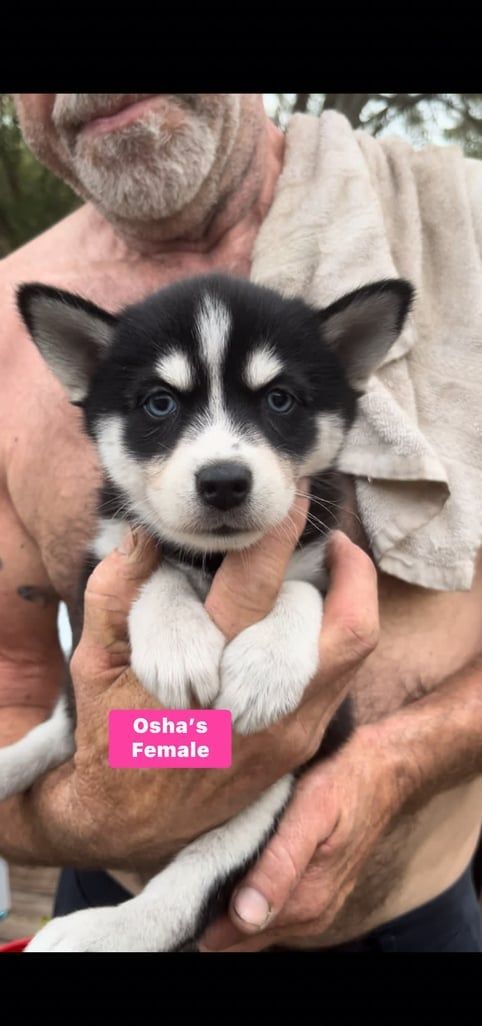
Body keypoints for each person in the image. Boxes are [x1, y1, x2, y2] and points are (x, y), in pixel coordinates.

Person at [0, 93, 481, 953]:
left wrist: (390, 763)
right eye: (157, 404)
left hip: (419, 915)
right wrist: (126, 788)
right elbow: (10, 675)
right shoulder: (9, 325)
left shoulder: (461, 226)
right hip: (109, 901)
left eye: (282, 400)